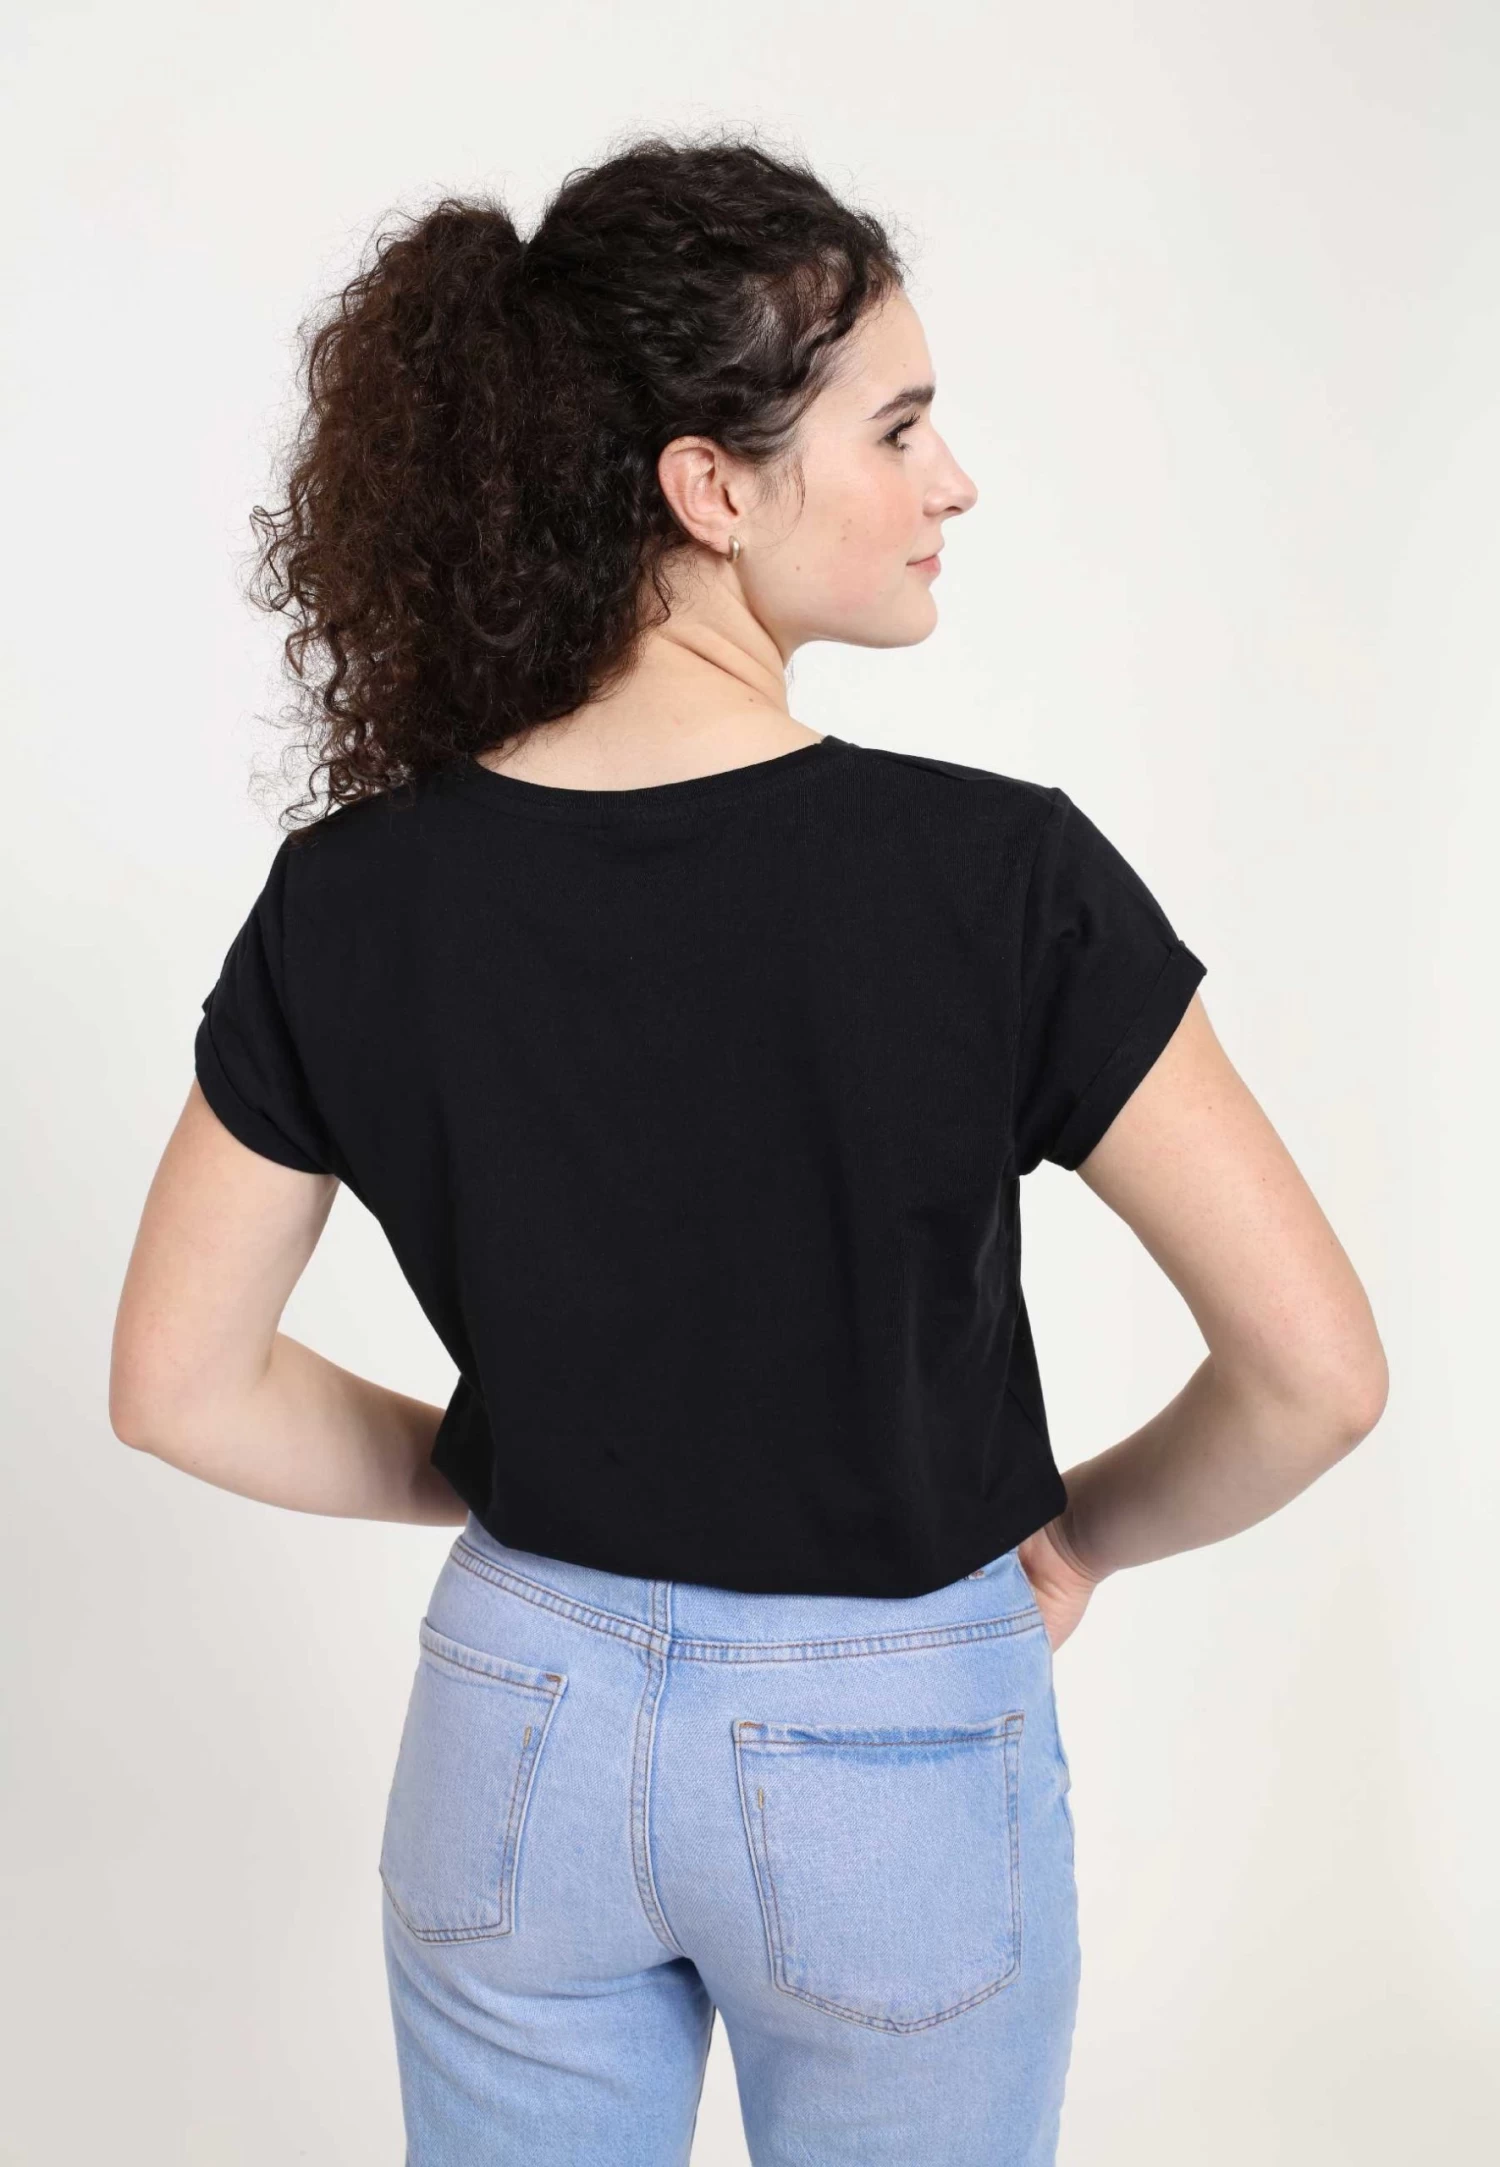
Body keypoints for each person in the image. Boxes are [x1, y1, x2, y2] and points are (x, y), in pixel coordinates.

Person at [109, 133, 1388, 2167]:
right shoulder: (996, 881)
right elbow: (1319, 1376)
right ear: (709, 486)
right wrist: (1080, 1536)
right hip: (895, 1743)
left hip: (516, 1722)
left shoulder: (352, 896)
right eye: (899, 424)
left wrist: (498, 1465)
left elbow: (179, 1383)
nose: (954, 480)